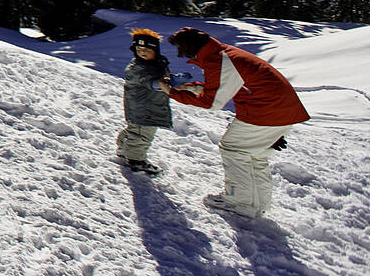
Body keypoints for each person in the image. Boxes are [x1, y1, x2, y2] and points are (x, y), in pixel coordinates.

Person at [161, 26, 311, 218]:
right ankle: (258, 204)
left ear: (189, 47)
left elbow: (212, 102)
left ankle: (238, 200)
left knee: (232, 148)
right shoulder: (225, 54)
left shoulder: (220, 60)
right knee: (254, 155)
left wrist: (173, 93)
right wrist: (190, 88)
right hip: (283, 110)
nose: (179, 53)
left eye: (180, 48)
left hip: (265, 111)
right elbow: (226, 86)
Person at [116, 29, 173, 174]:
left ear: (155, 50)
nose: (142, 52)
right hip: (143, 109)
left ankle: (124, 148)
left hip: (149, 106)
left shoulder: (157, 64)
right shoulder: (136, 68)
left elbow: (161, 78)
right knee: (142, 134)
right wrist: (161, 84)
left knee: (135, 130)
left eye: (147, 49)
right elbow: (148, 81)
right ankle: (136, 160)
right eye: (139, 49)